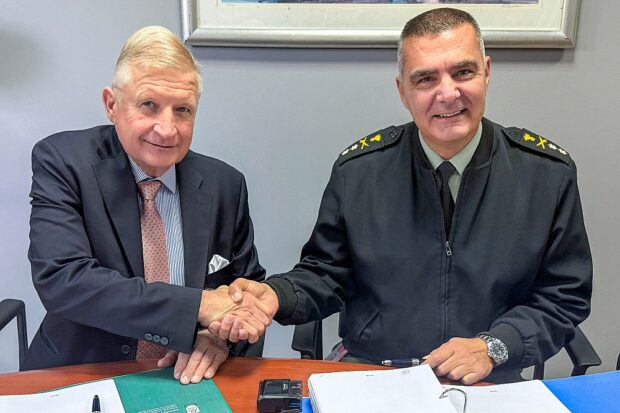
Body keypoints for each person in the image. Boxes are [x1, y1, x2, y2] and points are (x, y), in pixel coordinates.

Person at [213, 8, 593, 384]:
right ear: (403, 92)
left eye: (463, 72)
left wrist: (494, 346)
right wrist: (277, 294)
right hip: (374, 368)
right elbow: (327, 272)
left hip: (489, 375)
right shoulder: (359, 172)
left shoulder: (546, 175)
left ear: (487, 73)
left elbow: (563, 296)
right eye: (425, 79)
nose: (448, 93)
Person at [24, 26, 272, 384]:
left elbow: (246, 291)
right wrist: (200, 306)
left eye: (182, 110)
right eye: (148, 105)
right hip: (80, 372)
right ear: (112, 105)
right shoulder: (63, 161)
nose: (167, 129)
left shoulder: (225, 184)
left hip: (186, 377)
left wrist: (218, 336)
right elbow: (64, 280)